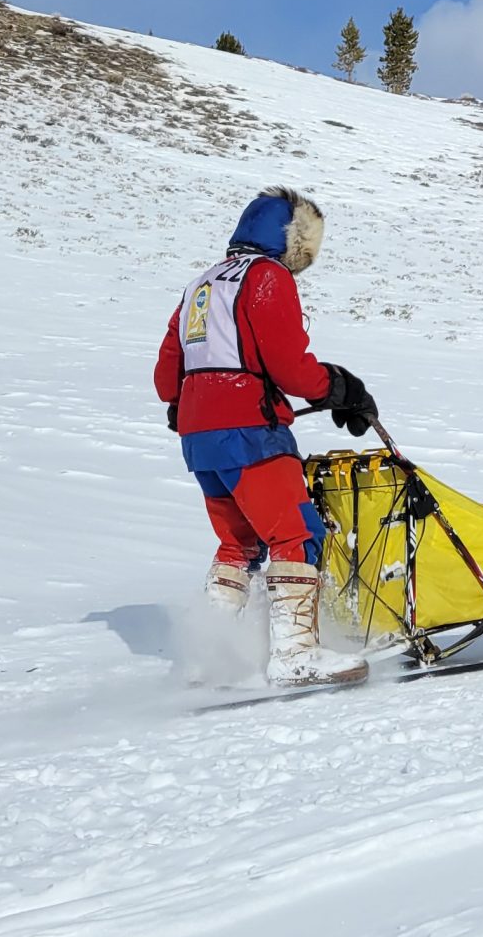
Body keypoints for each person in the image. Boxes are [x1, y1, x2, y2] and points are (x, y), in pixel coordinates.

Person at [154, 187, 378, 687]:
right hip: (249, 431)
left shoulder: (202, 284)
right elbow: (288, 366)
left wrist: (185, 403)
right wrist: (339, 388)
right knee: (296, 533)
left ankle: (208, 654)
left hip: (198, 434)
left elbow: (168, 371)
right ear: (293, 239)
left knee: (239, 543)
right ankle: (295, 655)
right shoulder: (266, 277)